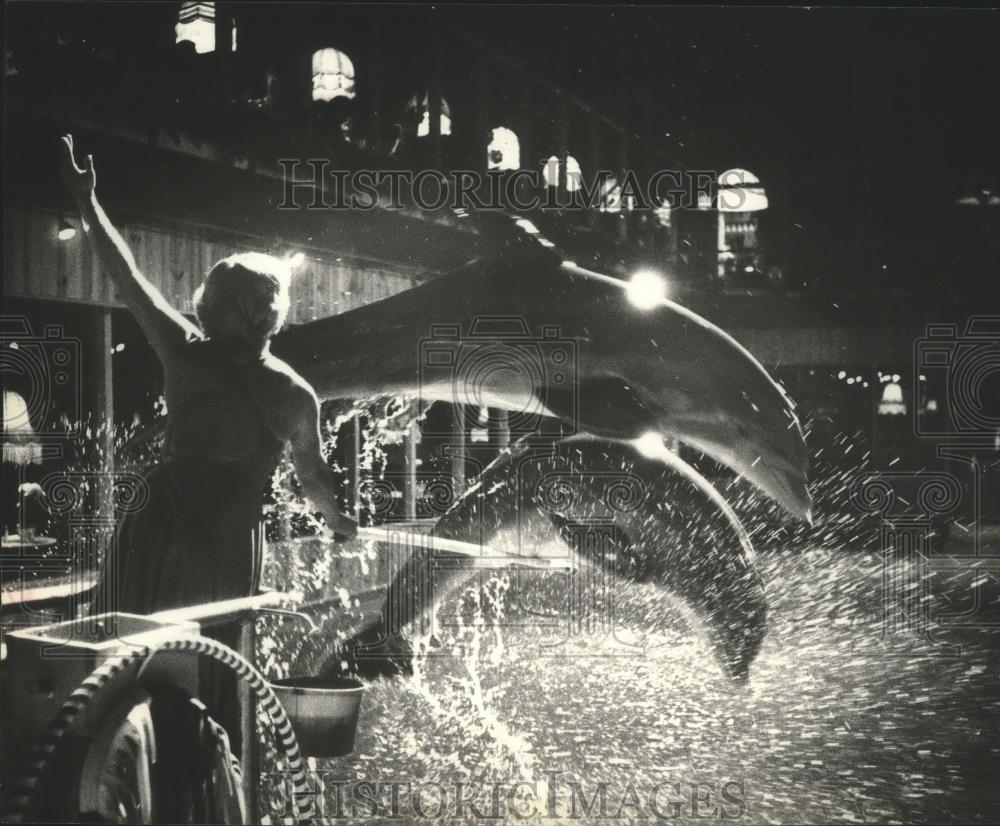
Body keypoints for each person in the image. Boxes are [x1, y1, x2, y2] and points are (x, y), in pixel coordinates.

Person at [59, 134, 356, 736]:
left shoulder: (184, 355)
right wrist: (341, 523)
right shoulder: (295, 394)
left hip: (155, 520)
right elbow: (315, 480)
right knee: (210, 658)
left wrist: (88, 204)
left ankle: (103, 762)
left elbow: (128, 277)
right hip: (223, 536)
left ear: (207, 305)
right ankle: (206, 770)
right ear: (274, 313)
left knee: (121, 648)